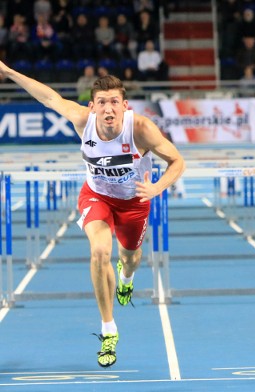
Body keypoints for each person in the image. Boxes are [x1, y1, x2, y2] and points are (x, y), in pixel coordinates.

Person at [0, 60, 186, 368]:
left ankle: (126, 277)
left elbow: (177, 161)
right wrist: (8, 72)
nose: (108, 109)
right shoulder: (82, 120)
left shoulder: (140, 128)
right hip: (97, 197)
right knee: (100, 252)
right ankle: (108, 329)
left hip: (134, 202)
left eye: (114, 102)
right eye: (102, 103)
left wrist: (157, 189)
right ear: (93, 106)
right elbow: (48, 97)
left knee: (130, 257)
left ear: (124, 105)